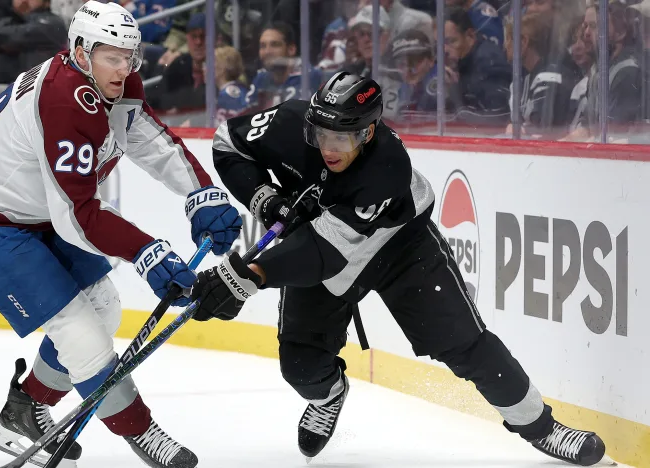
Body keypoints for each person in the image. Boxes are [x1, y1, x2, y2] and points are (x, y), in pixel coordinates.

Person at [191, 71, 607, 467]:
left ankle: (541, 426)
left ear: (368, 132)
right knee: (300, 366)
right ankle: (328, 396)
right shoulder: (289, 122)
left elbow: (325, 254)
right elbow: (228, 143)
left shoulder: (386, 168)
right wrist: (264, 197)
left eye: (343, 137)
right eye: (321, 135)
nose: (330, 148)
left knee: (463, 344)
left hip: (400, 249)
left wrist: (252, 275)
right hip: (319, 241)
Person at [0, 2, 241, 468]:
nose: (124, 68)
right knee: (82, 335)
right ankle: (143, 431)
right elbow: (76, 214)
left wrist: (202, 194)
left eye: (130, 56)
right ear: (79, 50)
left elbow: (149, 140)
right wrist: (146, 251)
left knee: (104, 307)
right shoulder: (62, 97)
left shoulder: (113, 81)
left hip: (33, 214)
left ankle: (23, 412)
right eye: (111, 56)